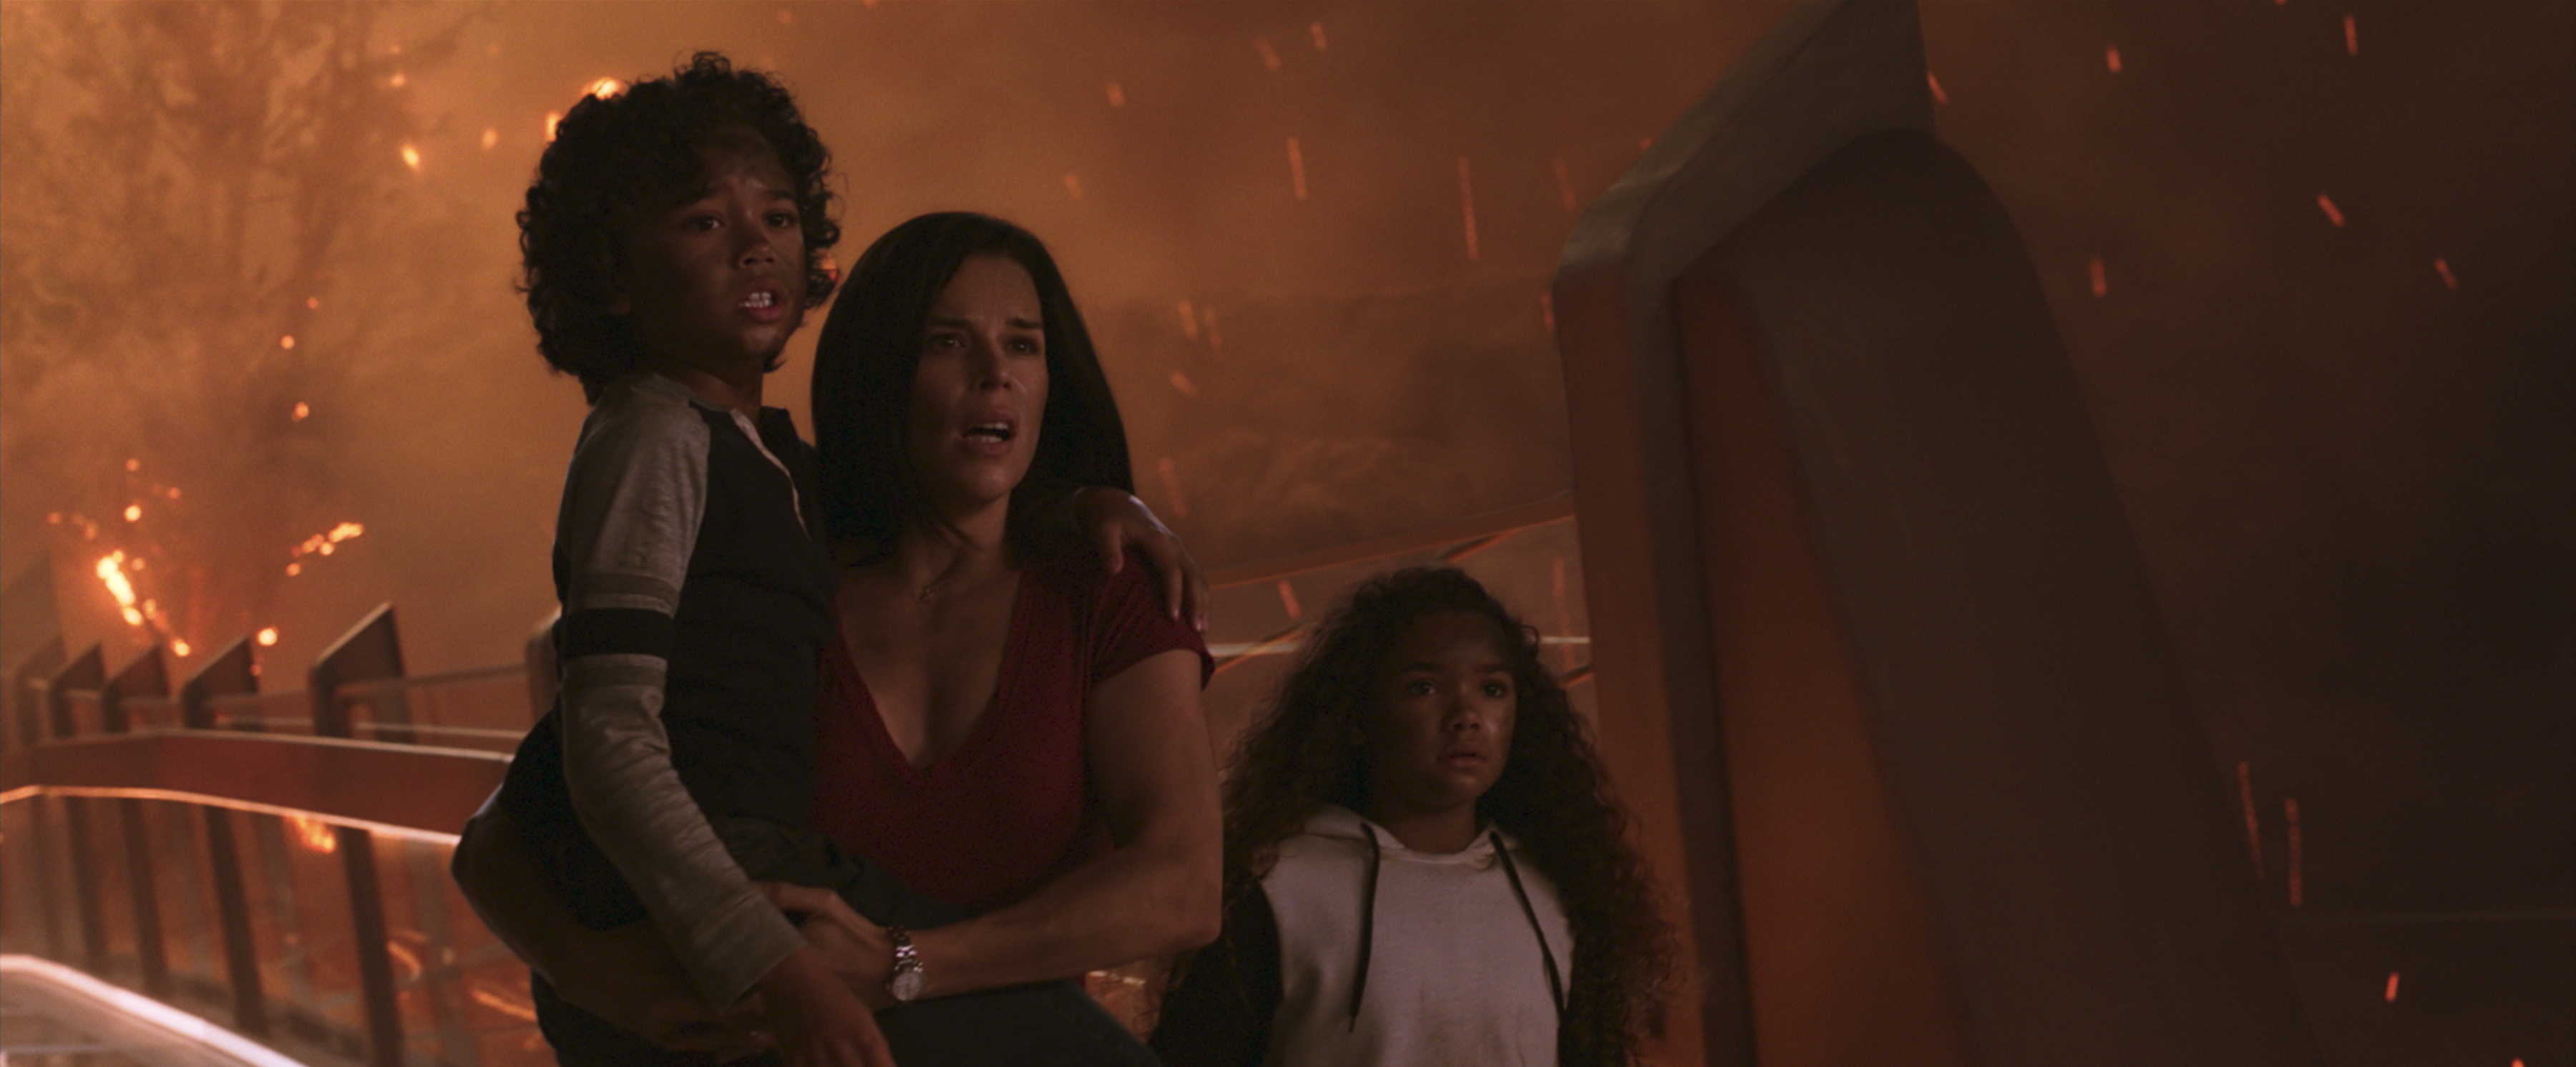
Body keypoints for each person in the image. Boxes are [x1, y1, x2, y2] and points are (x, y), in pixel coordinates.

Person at [453, 55, 1206, 1067]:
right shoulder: (770, 540)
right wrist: (587, 970)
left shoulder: (1100, 582)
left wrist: (902, 965)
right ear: (881, 372)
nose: (994, 374)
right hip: (764, 987)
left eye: (1024, 345)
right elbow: (537, 804)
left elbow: (1184, 887)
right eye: (948, 343)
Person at [1149, 567, 1674, 1067]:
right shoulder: (1274, 886)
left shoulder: (1560, 889)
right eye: (1424, 687)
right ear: (1357, 717)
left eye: (1492, 689)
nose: (1467, 716)